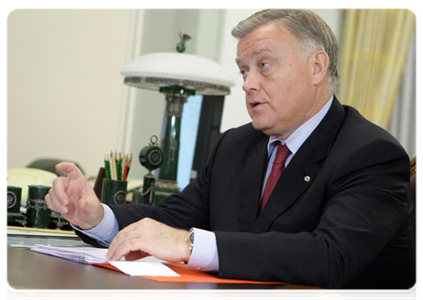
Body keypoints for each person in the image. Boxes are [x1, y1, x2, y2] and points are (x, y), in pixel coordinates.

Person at [45, 8, 413, 300]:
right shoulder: (235, 145)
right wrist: (97, 218)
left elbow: (328, 256)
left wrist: (188, 245)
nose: (248, 83)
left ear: (316, 67)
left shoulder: (370, 154)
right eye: (243, 71)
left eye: (264, 66)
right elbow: (172, 218)